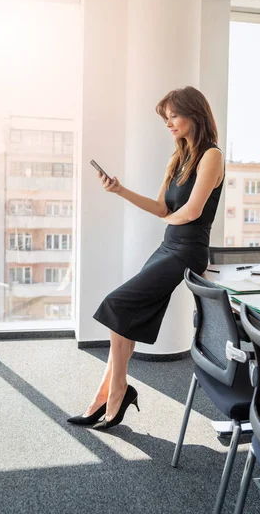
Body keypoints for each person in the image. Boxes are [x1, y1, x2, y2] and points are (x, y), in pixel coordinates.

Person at [67, 86, 224, 430]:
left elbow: (192, 210)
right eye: (165, 118)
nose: (168, 123)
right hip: (169, 245)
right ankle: (105, 395)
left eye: (174, 116)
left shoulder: (211, 155)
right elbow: (163, 208)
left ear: (194, 115)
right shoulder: (179, 157)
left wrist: (171, 219)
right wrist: (119, 189)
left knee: (118, 305)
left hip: (188, 250)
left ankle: (117, 390)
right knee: (128, 318)